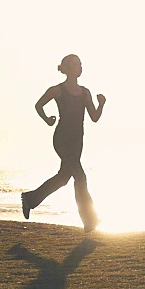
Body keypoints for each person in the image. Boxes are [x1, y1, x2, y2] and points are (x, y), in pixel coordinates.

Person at [21, 54, 106, 232]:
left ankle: (30, 199)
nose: (80, 67)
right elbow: (39, 105)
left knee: (64, 177)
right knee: (80, 176)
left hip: (77, 140)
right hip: (62, 139)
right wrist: (47, 120)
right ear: (67, 68)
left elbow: (94, 117)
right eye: (77, 64)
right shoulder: (57, 90)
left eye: (81, 64)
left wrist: (101, 104)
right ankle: (90, 220)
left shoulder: (85, 92)